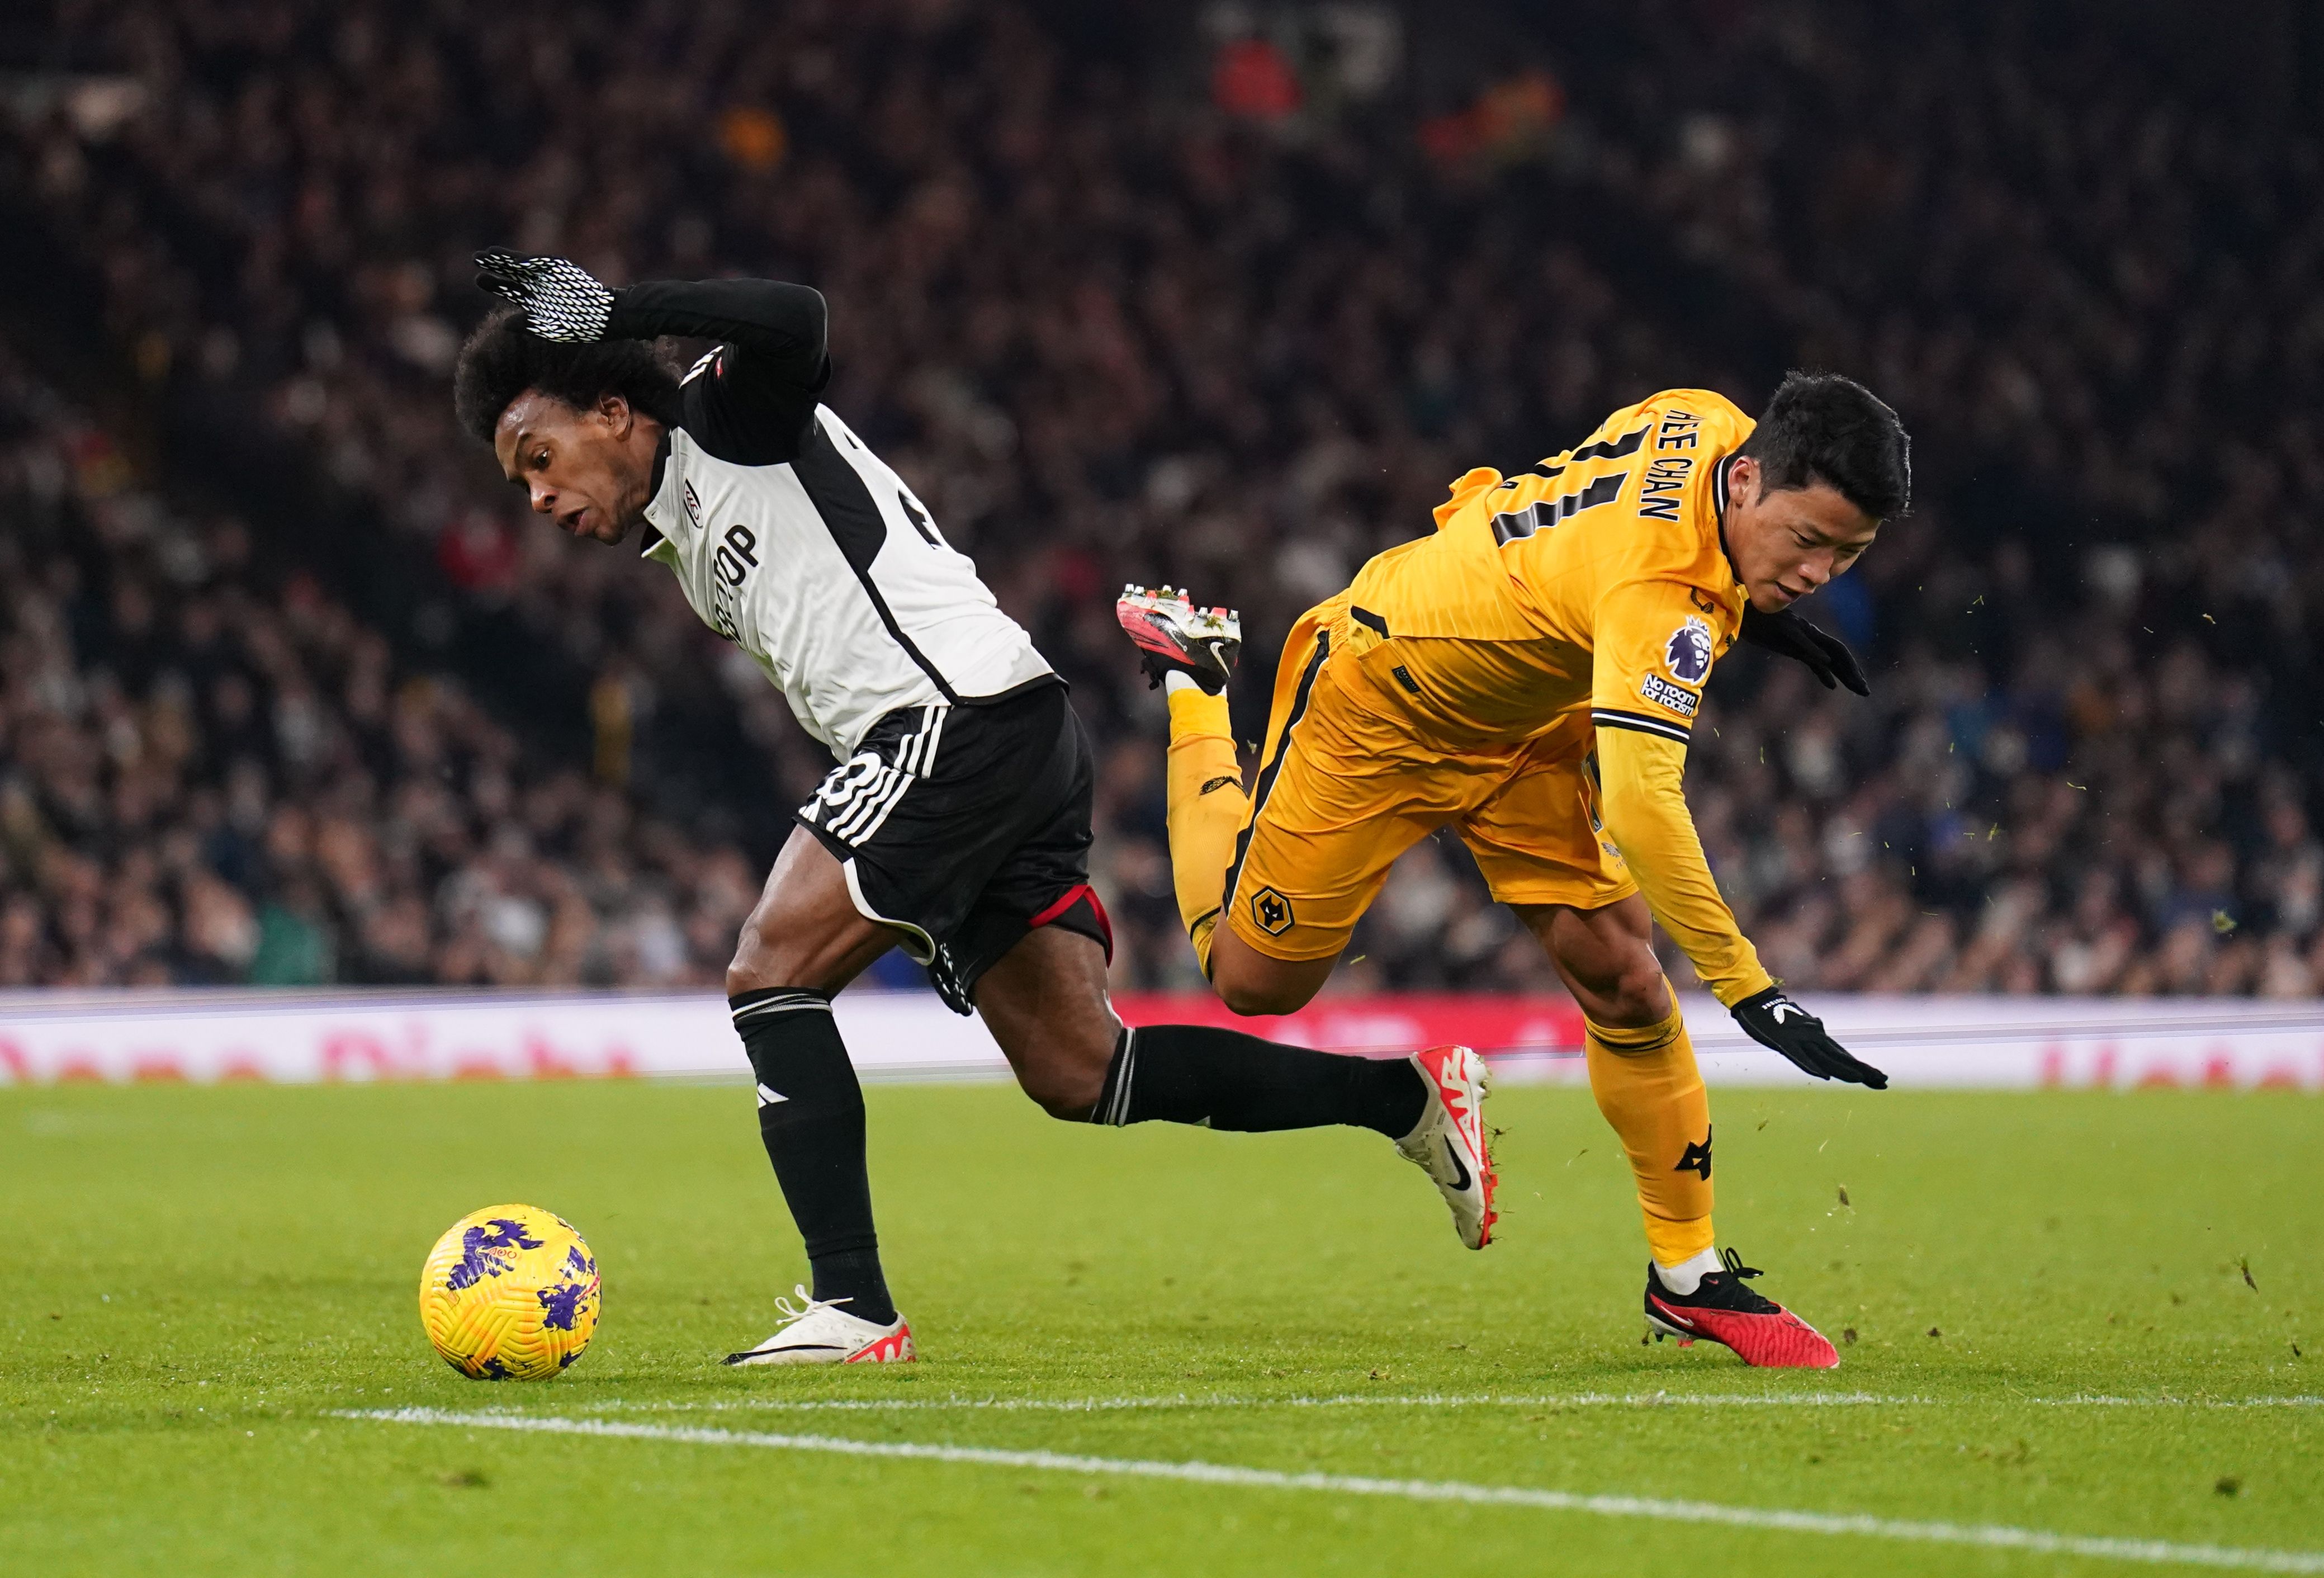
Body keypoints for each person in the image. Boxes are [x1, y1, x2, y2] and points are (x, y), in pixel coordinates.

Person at [451, 252, 1497, 1367]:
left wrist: (621, 311)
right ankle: (1404, 1095)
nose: (539, 498)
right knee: (1084, 1071)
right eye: (518, 483)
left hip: (958, 722)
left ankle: (853, 1304)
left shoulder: (722, 415)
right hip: (1006, 734)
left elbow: (798, 314)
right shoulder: (677, 524)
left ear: (614, 411)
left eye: (539, 459)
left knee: (770, 971)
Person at [1120, 375, 1908, 1368]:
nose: (1819, 571)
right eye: (1807, 541)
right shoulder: (1657, 595)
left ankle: (1687, 1274)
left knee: (1624, 979)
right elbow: (1642, 805)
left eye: (1846, 553)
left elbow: (1595, 531)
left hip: (1523, 723)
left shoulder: (1705, 419)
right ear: (1747, 481)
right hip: (1380, 698)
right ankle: (1198, 683)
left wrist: (1757, 606)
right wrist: (1749, 988)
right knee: (1247, 980)